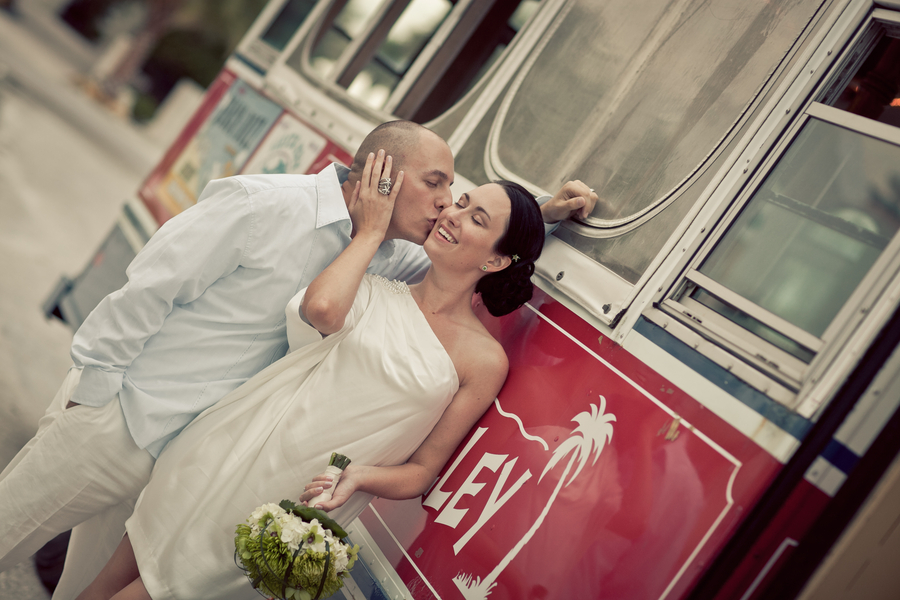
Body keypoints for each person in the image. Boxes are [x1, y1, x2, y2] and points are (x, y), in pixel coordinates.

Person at [0, 119, 596, 598]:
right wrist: (93, 398)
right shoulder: (264, 203)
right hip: (121, 424)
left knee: (81, 586)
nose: (446, 205)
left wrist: (541, 214)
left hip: (195, 452)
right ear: (381, 175)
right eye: (437, 185)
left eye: (454, 195)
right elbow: (150, 288)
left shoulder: (391, 258)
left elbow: (481, 254)